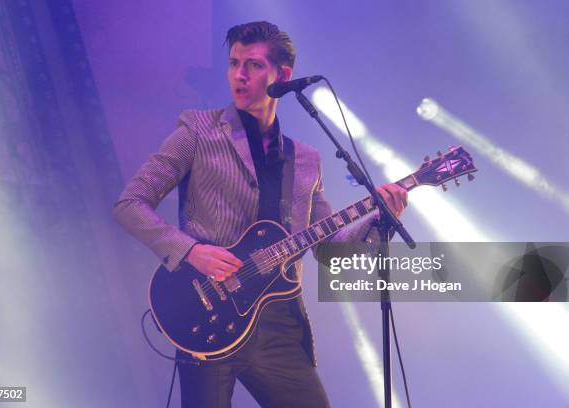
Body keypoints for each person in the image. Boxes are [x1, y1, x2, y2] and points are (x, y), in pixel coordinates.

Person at [113, 21, 407, 408]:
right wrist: (190, 252)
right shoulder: (199, 131)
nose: (239, 75)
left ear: (282, 75)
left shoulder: (305, 159)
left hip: (278, 324)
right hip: (207, 314)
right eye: (234, 63)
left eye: (252, 65)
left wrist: (377, 218)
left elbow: (329, 251)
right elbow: (130, 203)